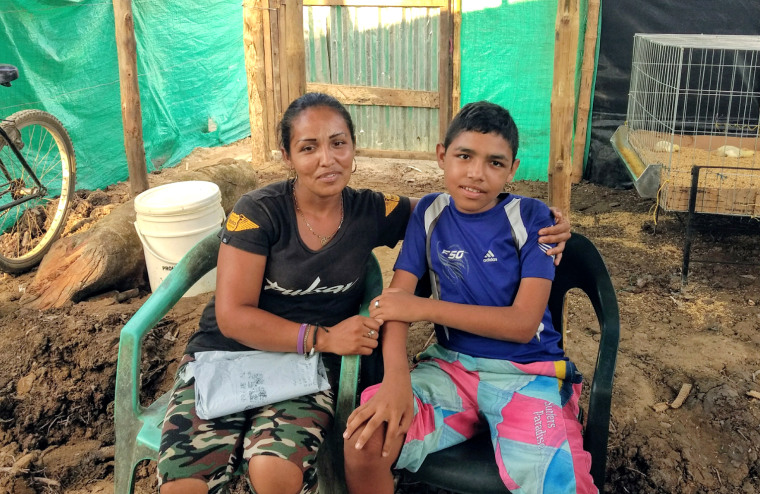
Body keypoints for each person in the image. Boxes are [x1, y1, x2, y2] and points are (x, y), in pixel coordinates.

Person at [156, 93, 572, 494]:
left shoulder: (375, 210)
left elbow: (456, 210)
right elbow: (232, 317)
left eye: (339, 143)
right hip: (228, 354)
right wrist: (333, 342)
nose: (327, 159)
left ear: (354, 148)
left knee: (274, 473)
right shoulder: (258, 211)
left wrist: (551, 221)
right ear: (287, 156)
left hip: (306, 368)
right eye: (308, 147)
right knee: (184, 485)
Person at [343, 101, 596, 494]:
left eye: (495, 163)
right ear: (442, 156)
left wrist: (421, 308)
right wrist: (395, 379)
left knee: (559, 483)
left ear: (512, 169)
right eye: (464, 156)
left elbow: (522, 324)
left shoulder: (533, 219)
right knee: (366, 438)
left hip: (525, 375)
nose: (476, 174)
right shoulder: (428, 213)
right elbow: (396, 303)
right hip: (450, 369)